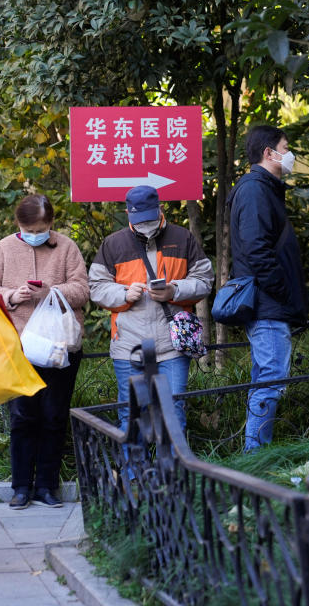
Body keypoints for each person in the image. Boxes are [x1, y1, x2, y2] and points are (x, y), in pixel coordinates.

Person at [0, 194, 89, 509]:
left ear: (51, 224)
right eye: (30, 228)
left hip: (61, 347)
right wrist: (13, 295)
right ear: (19, 224)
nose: (35, 233)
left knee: (54, 416)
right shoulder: (3, 249)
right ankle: (21, 486)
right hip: (19, 345)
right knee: (22, 416)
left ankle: (47, 487)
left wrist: (51, 291)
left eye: (41, 228)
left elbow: (82, 290)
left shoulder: (67, 247)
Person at [89, 185, 214, 448]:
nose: (145, 224)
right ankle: (135, 479)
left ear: (160, 209)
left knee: (174, 413)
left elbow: (204, 280)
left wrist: (174, 290)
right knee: (132, 416)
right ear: (128, 213)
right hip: (128, 345)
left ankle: (174, 480)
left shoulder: (183, 238)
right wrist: (124, 293)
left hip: (173, 346)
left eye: (149, 217)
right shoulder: (113, 243)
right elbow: (96, 287)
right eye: (139, 219)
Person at [228, 126, 306, 452]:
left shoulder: (262, 189)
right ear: (268, 153)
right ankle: (255, 458)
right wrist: (282, 292)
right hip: (267, 303)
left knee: (266, 379)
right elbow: (257, 250)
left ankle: (254, 455)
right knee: (272, 380)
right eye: (285, 148)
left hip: (268, 302)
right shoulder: (255, 190)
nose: (289, 155)